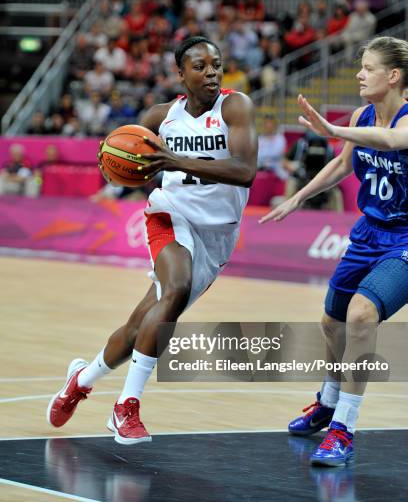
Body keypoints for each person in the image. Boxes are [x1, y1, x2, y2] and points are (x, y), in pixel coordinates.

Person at [47, 36, 258, 445]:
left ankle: (81, 380)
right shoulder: (160, 116)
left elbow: (245, 170)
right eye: (200, 65)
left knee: (139, 326)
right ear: (181, 74)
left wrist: (175, 161)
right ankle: (126, 408)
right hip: (170, 215)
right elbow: (118, 156)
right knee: (174, 289)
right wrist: (113, 163)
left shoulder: (235, 107)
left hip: (217, 236)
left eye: (216, 64)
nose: (211, 71)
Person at [260, 36, 408, 466]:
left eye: (368, 68)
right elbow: (344, 164)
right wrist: (298, 197)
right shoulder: (363, 114)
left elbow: (392, 141)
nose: (360, 74)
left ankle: (344, 427)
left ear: (393, 76)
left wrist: (331, 129)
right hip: (369, 232)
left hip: (404, 239)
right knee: (332, 321)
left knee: (363, 314)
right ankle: (328, 399)